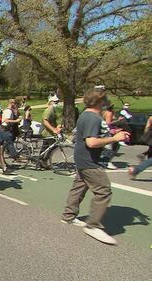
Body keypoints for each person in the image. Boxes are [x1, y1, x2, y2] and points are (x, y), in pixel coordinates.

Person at [61, 88, 129, 245]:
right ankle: (93, 225)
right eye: (104, 101)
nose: (106, 104)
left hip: (82, 159)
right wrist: (115, 138)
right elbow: (91, 142)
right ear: (99, 101)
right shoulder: (92, 118)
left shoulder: (86, 115)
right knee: (104, 191)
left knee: (79, 187)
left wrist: (110, 134)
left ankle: (68, 216)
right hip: (89, 161)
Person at [40, 95, 62, 166]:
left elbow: (55, 121)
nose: (57, 103)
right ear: (50, 102)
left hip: (51, 133)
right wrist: (54, 130)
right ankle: (41, 162)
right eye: (55, 102)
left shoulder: (53, 110)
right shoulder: (48, 110)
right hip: (47, 133)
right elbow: (45, 121)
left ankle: (42, 162)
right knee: (48, 148)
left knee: (49, 148)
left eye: (57, 102)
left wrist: (59, 127)